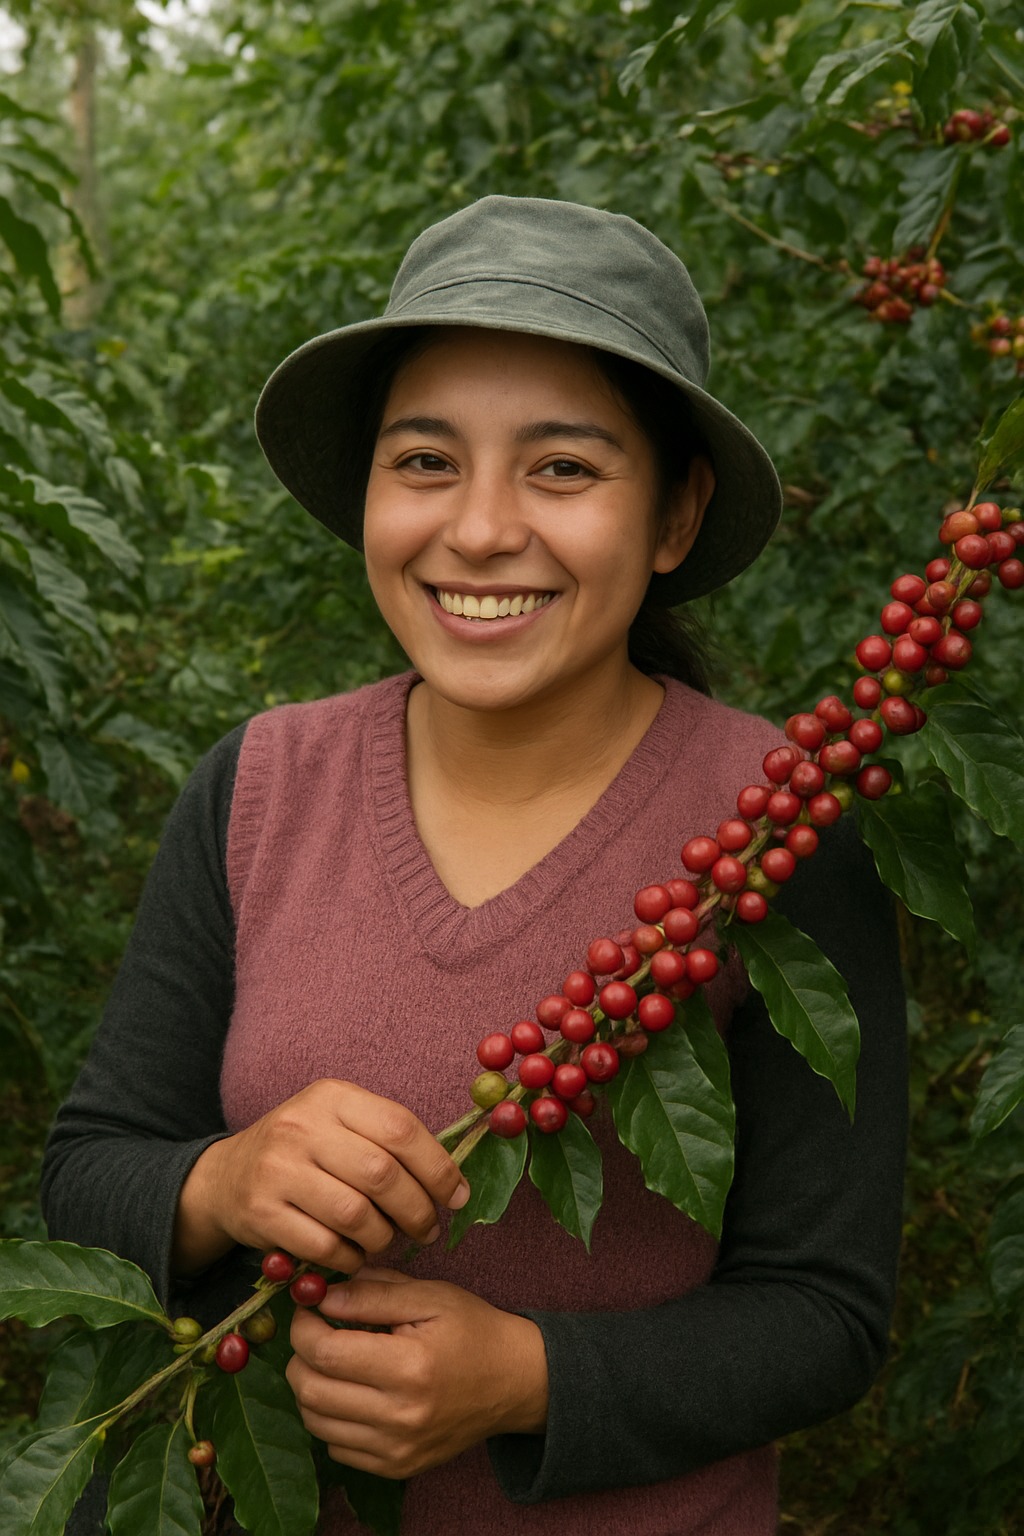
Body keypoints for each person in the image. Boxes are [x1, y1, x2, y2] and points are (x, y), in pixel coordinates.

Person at [42, 196, 907, 1536]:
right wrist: (220, 1182)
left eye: (562, 468)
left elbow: (824, 1312)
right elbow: (92, 1166)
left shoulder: (771, 830)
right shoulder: (260, 787)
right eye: (426, 461)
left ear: (674, 515)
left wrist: (527, 1380)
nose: (483, 528)